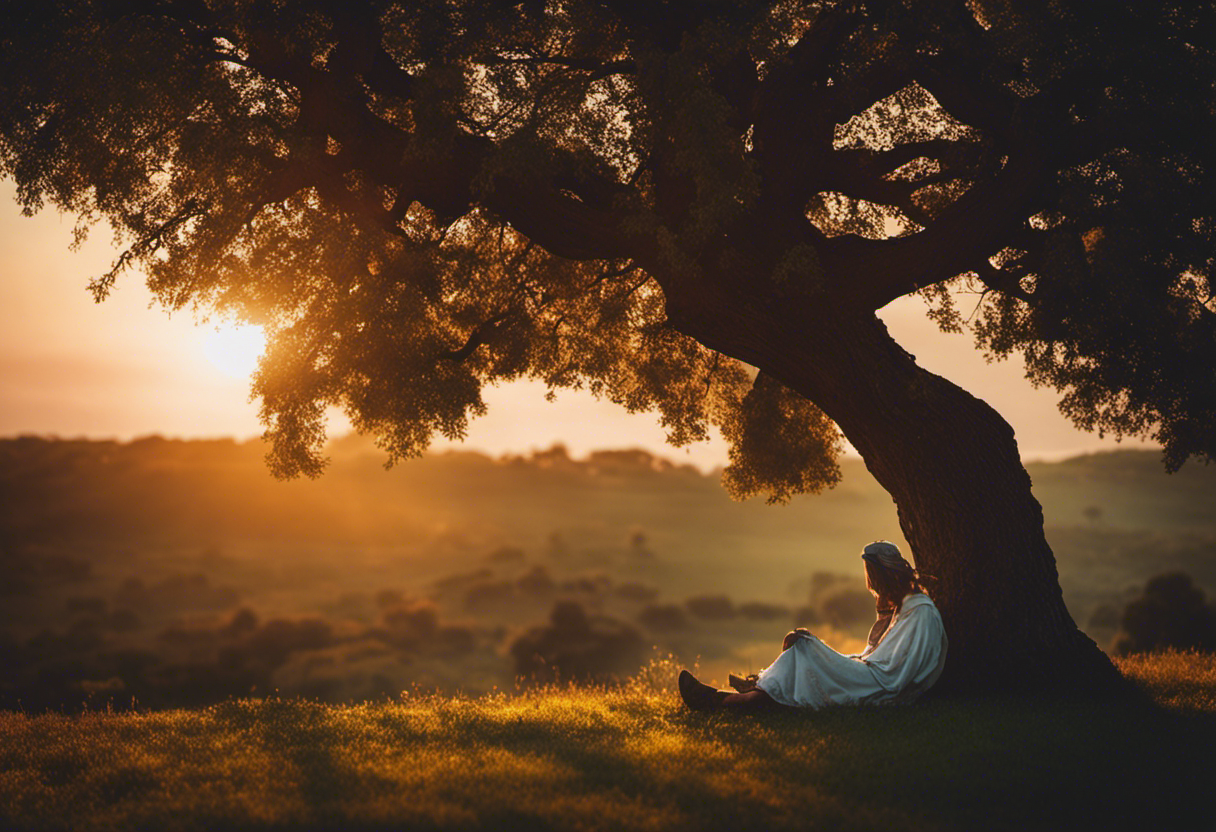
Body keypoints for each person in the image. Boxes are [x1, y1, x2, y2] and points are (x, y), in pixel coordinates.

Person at [679, 540, 947, 711]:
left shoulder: (920, 613)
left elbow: (897, 676)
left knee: (803, 647)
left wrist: (824, 652)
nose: (873, 587)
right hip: (874, 677)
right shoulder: (903, 607)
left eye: (875, 579)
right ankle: (753, 689)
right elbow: (876, 653)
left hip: (879, 687)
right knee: (801, 645)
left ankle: (732, 699)